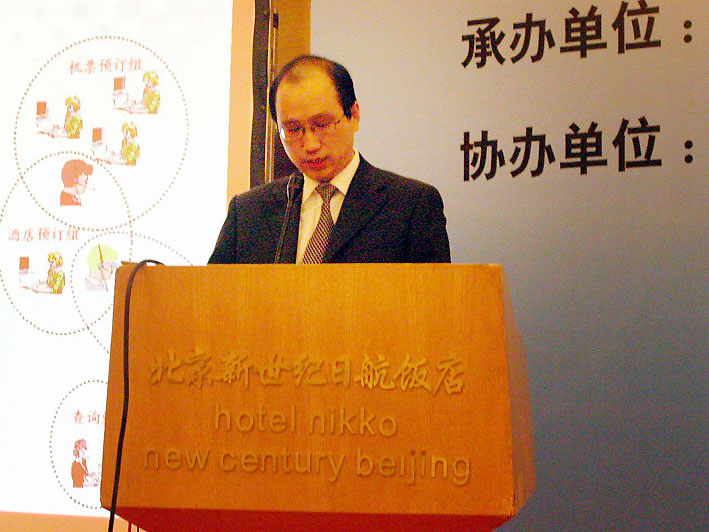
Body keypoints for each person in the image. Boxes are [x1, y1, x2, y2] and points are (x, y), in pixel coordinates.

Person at [209, 55, 450, 264]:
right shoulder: (247, 213)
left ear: (353, 114)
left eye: (322, 125)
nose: (310, 145)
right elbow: (215, 296)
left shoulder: (411, 206)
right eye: (293, 130)